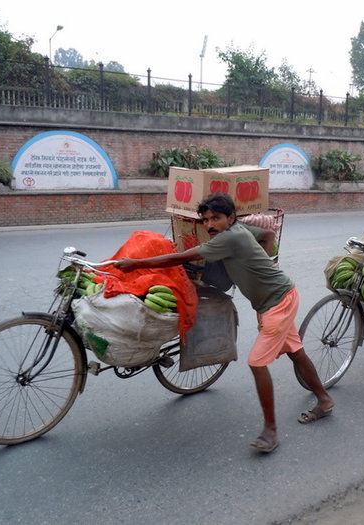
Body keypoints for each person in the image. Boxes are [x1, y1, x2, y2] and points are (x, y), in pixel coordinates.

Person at [114, 193, 334, 453]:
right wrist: (260, 263)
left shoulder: (230, 238)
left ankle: (270, 431)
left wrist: (136, 263)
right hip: (275, 299)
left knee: (257, 362)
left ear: (230, 218)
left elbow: (180, 258)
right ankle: (324, 399)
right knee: (295, 352)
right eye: (205, 219)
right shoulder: (240, 230)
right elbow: (268, 235)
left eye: (215, 218)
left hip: (278, 303)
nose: (210, 225)